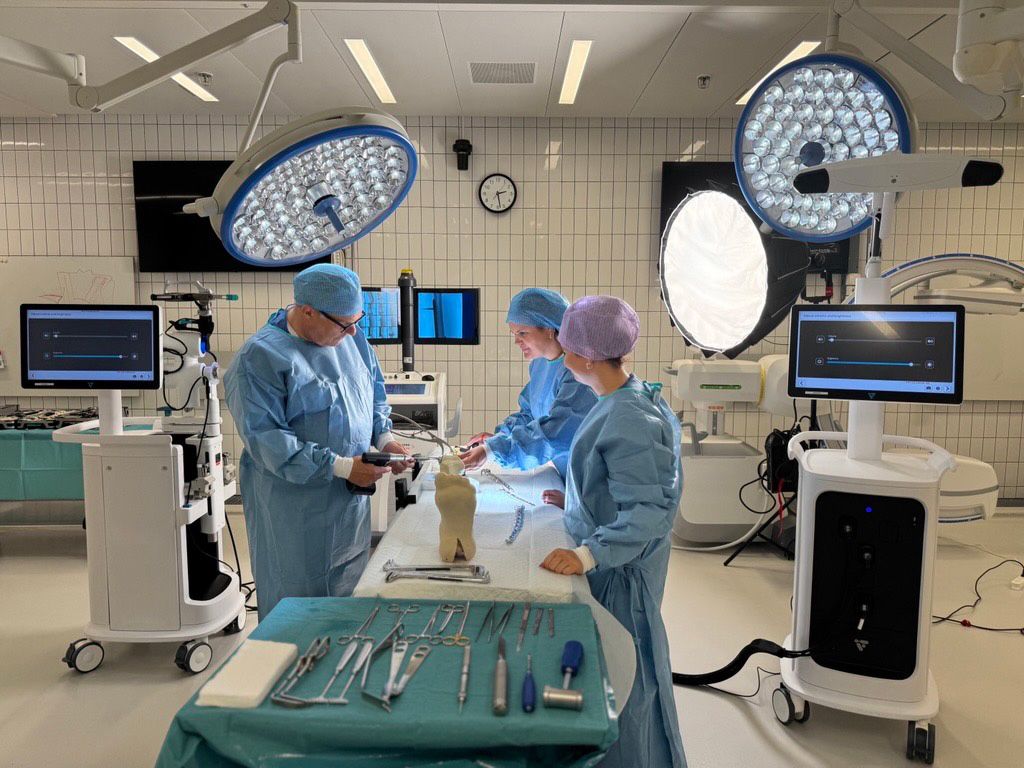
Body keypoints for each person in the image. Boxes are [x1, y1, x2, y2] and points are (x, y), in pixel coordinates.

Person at [538, 295, 685, 768]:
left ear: (581, 357)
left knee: (628, 685)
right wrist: (579, 499)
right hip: (613, 564)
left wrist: (586, 554)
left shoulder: (630, 416)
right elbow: (620, 481)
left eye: (564, 346)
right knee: (610, 675)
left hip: (622, 576)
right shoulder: (625, 397)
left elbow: (647, 512)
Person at [224, 264, 413, 621]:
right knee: (297, 608)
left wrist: (385, 441)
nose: (354, 330)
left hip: (347, 509)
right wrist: (343, 467)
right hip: (294, 513)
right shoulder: (259, 359)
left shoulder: (351, 339)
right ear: (307, 310)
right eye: (344, 323)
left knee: (346, 595)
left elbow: (372, 395)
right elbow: (268, 441)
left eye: (357, 319)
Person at [459, 288, 596, 478]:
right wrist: (500, 438)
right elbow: (530, 413)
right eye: (514, 333)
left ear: (549, 328)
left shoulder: (576, 372)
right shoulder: (540, 364)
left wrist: (492, 451)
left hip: (587, 479)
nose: (517, 341)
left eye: (523, 333)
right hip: (564, 477)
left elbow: (554, 434)